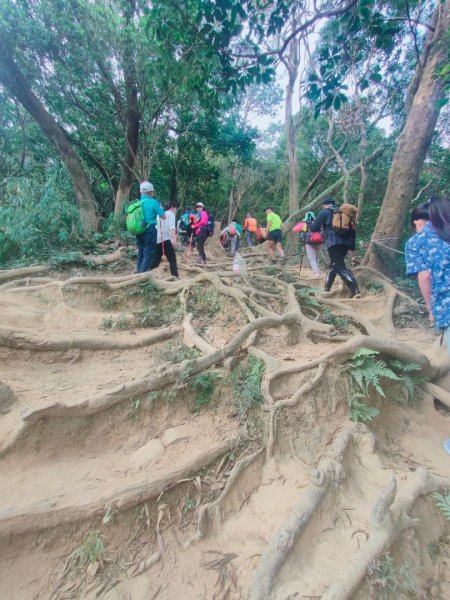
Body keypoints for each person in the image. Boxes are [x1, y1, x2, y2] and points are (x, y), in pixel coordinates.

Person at [405, 196, 450, 354]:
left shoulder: (416, 242)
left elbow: (425, 276)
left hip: (446, 304)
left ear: (417, 222)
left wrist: (431, 309)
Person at [310, 197, 360, 297]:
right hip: (345, 243)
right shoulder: (343, 212)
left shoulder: (324, 212)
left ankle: (355, 290)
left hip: (333, 243)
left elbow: (315, 228)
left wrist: (309, 224)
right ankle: (327, 288)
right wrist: (352, 249)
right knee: (334, 265)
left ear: (325, 204)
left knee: (340, 266)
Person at [135, 181, 165, 273]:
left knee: (141, 252)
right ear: (151, 192)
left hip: (139, 230)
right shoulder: (153, 202)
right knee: (149, 253)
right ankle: (141, 275)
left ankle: (138, 272)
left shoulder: (138, 203)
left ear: (141, 192)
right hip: (150, 231)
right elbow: (163, 216)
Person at [151, 201, 179, 278]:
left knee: (155, 261)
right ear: (173, 208)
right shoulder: (171, 214)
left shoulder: (159, 215)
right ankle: (175, 276)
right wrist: (173, 240)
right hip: (166, 240)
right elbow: (172, 228)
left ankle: (145, 272)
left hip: (158, 240)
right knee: (172, 259)